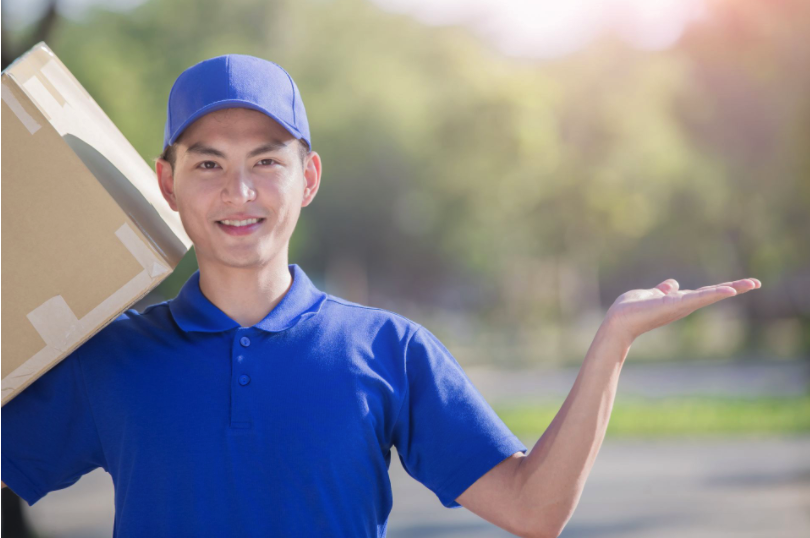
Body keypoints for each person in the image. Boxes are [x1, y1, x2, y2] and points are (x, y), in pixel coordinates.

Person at [1, 54, 761, 538]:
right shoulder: (110, 356)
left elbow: (535, 509)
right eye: (208, 165)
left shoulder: (388, 351)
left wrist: (613, 342)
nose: (240, 191)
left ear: (308, 178)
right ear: (167, 183)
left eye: (266, 161)